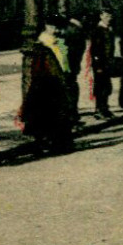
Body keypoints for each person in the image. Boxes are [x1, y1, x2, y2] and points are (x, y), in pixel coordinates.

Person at [20, 18, 76, 153]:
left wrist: (67, 74)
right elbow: (42, 68)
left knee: (57, 114)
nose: (55, 30)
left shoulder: (58, 42)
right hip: (47, 84)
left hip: (57, 82)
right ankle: (47, 141)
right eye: (52, 27)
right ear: (46, 27)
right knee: (47, 114)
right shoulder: (43, 44)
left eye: (56, 27)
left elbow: (64, 62)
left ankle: (55, 141)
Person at [89, 9, 117, 119]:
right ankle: (99, 109)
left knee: (106, 86)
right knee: (100, 86)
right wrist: (98, 65)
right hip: (100, 63)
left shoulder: (108, 29)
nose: (108, 18)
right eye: (106, 16)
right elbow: (95, 50)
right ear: (101, 16)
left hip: (107, 62)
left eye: (109, 16)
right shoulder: (98, 30)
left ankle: (105, 108)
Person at [61, 14, 88, 121]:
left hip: (69, 64)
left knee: (70, 87)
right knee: (70, 87)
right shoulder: (74, 30)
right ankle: (71, 113)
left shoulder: (72, 28)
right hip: (70, 64)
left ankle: (71, 112)